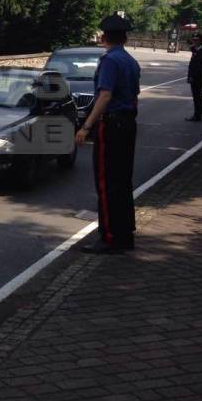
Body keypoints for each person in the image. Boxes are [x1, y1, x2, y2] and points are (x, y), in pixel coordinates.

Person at [75, 14, 141, 254]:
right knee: (123, 181)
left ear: (104, 37)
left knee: (106, 183)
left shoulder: (110, 61)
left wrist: (86, 126)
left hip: (111, 125)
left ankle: (110, 236)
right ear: (124, 37)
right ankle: (125, 234)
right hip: (128, 123)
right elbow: (134, 94)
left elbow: (105, 95)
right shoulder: (131, 61)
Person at [186, 32, 202, 121]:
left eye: (196, 40)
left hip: (198, 78)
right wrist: (190, 39)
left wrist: (193, 77)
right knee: (196, 97)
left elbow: (199, 67)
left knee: (197, 97)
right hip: (194, 77)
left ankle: (198, 115)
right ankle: (197, 114)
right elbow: (190, 46)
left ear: (200, 41)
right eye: (194, 40)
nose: (194, 42)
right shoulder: (196, 49)